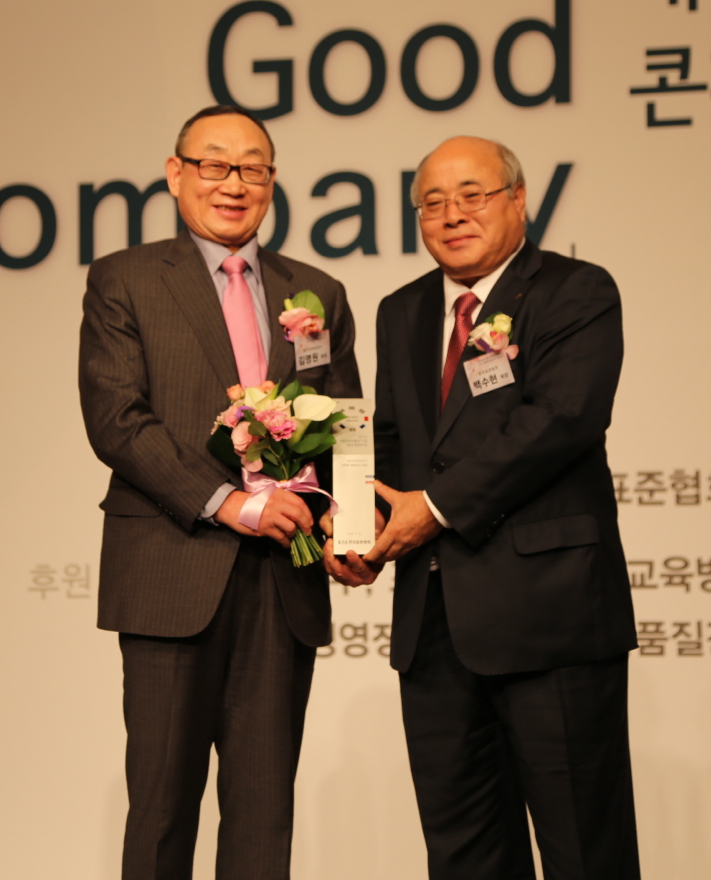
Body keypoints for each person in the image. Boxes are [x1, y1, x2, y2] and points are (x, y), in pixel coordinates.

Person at [327, 136, 640, 879]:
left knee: (583, 849)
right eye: (432, 202)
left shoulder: (576, 291)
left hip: (551, 620)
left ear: (518, 199)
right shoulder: (402, 309)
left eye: (472, 194)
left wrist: (432, 509)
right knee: (463, 853)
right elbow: (392, 437)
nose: (451, 214)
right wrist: (356, 522)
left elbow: (559, 421)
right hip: (434, 628)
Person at [78, 104, 361, 880]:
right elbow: (117, 419)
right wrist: (234, 503)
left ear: (272, 181)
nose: (234, 184)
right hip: (173, 568)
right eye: (214, 165)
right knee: (163, 812)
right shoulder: (126, 279)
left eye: (253, 168)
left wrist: (351, 527)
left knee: (264, 816)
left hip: (284, 577)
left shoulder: (317, 292)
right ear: (176, 175)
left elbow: (346, 424)